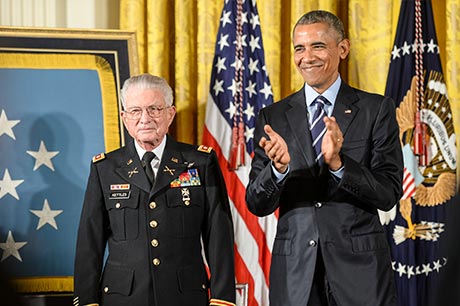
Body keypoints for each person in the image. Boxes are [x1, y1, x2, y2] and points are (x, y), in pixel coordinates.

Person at [246, 10, 403, 306]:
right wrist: (277, 170)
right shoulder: (274, 117)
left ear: (342, 48)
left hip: (361, 273)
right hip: (296, 275)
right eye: (299, 48)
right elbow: (256, 203)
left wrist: (340, 166)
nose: (307, 57)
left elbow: (388, 194)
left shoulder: (376, 109)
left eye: (318, 46)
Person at [73, 74, 236, 306]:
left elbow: (218, 235)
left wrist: (222, 299)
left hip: (184, 297)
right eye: (135, 111)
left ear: (170, 114)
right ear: (124, 118)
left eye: (154, 109)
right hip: (123, 299)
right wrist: (87, 301)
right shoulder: (105, 168)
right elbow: (90, 241)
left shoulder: (200, 162)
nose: (144, 119)